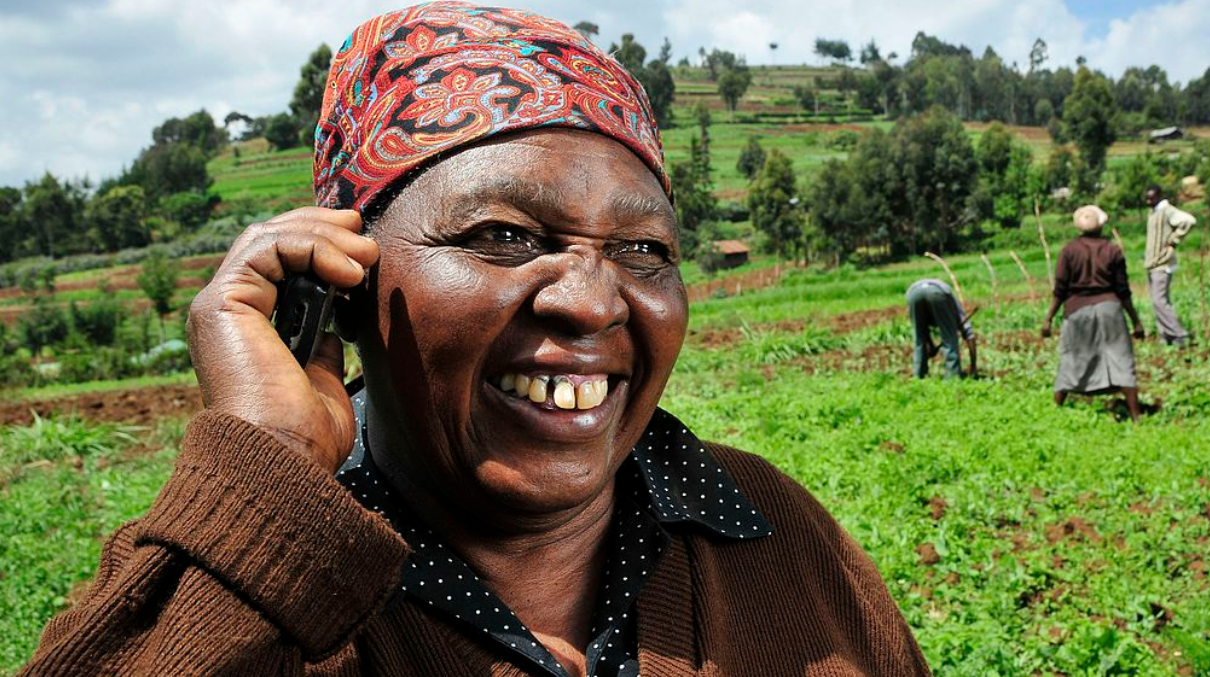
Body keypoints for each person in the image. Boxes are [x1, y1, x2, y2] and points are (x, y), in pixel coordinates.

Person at [19, 5, 930, 676]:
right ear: (341, 280)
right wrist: (268, 473)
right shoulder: (257, 601)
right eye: (503, 236)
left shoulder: (773, 532)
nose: (590, 301)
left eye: (643, 249)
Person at [1042, 205, 1145, 421]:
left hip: (1077, 310)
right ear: (1101, 226)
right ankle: (1136, 415)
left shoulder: (1069, 251)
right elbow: (1122, 290)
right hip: (1110, 309)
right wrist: (1136, 321)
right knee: (1120, 358)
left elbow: (1060, 289)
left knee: (1072, 358)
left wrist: (1048, 318)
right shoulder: (1113, 250)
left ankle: (1055, 411)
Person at [1143, 184, 1196, 347]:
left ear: (1159, 196)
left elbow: (1188, 220)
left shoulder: (1167, 211)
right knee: (1157, 300)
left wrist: (1173, 240)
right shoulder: (1154, 212)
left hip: (1162, 264)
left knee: (1159, 301)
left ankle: (1179, 333)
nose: (1148, 201)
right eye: (1146, 198)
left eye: (1151, 198)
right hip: (1153, 263)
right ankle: (1166, 335)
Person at [906, 278, 977, 379]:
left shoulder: (950, 307)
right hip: (938, 292)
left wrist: (930, 345)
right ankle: (952, 377)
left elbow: (923, 331)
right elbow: (969, 333)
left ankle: (918, 375)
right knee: (949, 338)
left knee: (919, 339)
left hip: (913, 293)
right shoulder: (953, 306)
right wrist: (973, 365)